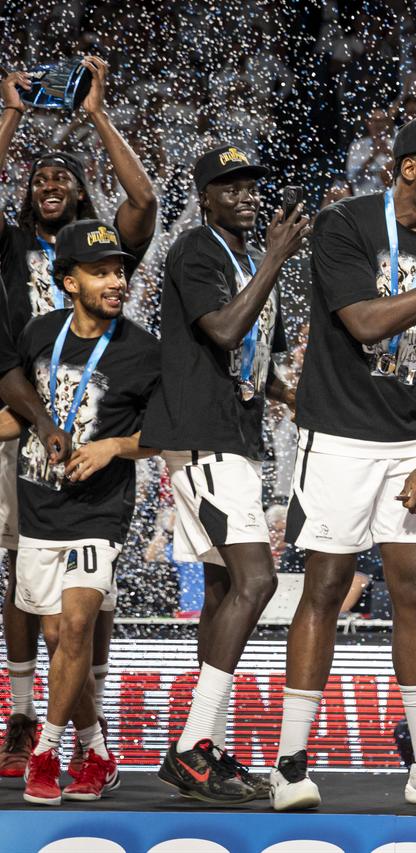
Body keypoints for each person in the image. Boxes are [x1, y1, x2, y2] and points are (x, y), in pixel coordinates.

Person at [271, 114, 416, 811]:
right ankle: (290, 762)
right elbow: (366, 321)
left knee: (413, 588)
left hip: (412, 440)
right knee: (325, 584)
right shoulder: (344, 225)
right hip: (339, 435)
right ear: (407, 167)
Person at [0, 58, 157, 778]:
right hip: (26, 420)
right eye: (41, 178)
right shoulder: (13, 252)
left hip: (100, 432)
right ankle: (61, 728)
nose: (52, 183)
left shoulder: (105, 256)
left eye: (65, 176)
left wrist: (94, 111)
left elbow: (143, 202)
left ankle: (46, 738)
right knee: (26, 584)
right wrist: (11, 114)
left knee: (82, 610)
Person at [141, 145, 309, 803]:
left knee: (220, 590)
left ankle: (200, 743)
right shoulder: (198, 250)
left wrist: (301, 398)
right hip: (202, 439)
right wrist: (273, 260)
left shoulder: (242, 259)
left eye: (251, 185)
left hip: (235, 440)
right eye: (228, 185)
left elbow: (260, 360)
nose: (245, 195)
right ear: (203, 196)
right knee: (257, 579)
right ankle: (187, 748)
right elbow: (222, 327)